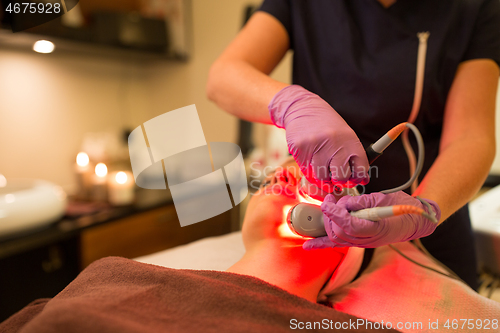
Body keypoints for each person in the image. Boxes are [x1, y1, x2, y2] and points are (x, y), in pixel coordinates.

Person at [206, 0, 500, 289]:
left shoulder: (476, 7)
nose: (286, 176)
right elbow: (223, 77)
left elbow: (471, 136)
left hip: (433, 216)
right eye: (284, 180)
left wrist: (426, 209)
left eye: (282, 179)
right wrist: (291, 103)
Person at [0, 159, 399, 333]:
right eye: (287, 169)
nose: (289, 171)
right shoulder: (111, 273)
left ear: (349, 238)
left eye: (322, 184)